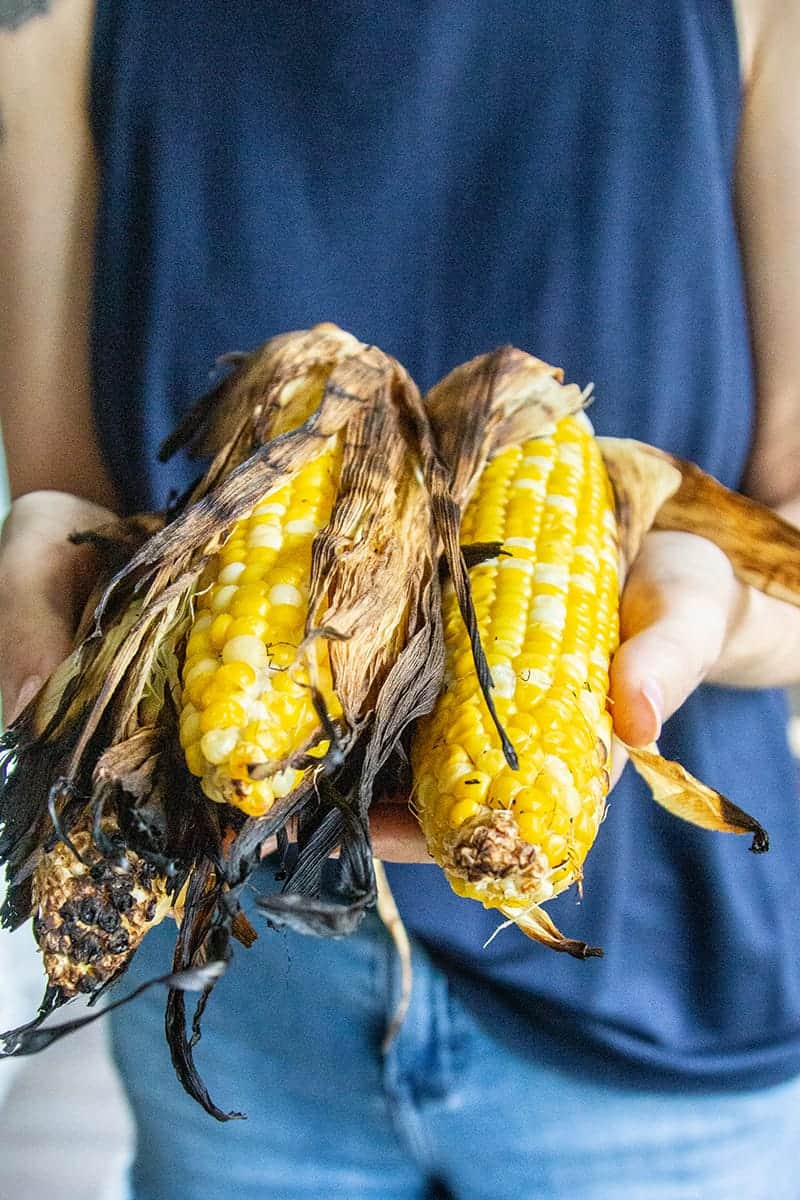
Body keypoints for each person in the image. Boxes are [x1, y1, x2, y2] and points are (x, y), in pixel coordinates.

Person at [2, 2, 800, 1197]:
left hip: (657, 1008)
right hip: (236, 1005)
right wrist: (43, 566)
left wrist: (711, 614)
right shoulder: (62, 40)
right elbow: (74, 490)